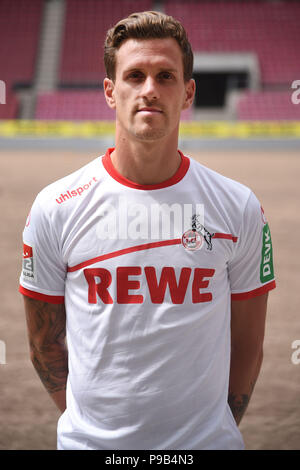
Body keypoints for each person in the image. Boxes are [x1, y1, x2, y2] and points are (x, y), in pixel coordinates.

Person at [19, 11, 276, 450]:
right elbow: (43, 342)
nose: (149, 90)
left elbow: (248, 348)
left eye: (166, 76)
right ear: (109, 91)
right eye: (134, 76)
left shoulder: (239, 208)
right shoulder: (55, 207)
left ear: (188, 91)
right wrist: (94, 430)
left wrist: (208, 433)